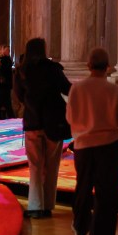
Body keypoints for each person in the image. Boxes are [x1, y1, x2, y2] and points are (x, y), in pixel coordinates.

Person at [65, 48, 118, 235]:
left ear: (88, 66)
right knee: (107, 194)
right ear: (108, 67)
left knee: (83, 187)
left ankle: (80, 226)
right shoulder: (113, 90)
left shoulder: (77, 88)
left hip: (83, 145)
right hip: (108, 145)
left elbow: (70, 118)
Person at [14, 38, 72, 219]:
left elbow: (19, 95)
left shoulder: (22, 71)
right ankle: (47, 205)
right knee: (52, 165)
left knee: (35, 166)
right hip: (54, 121)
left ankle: (35, 206)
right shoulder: (53, 69)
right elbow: (67, 89)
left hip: (32, 120)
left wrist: (32, 105)